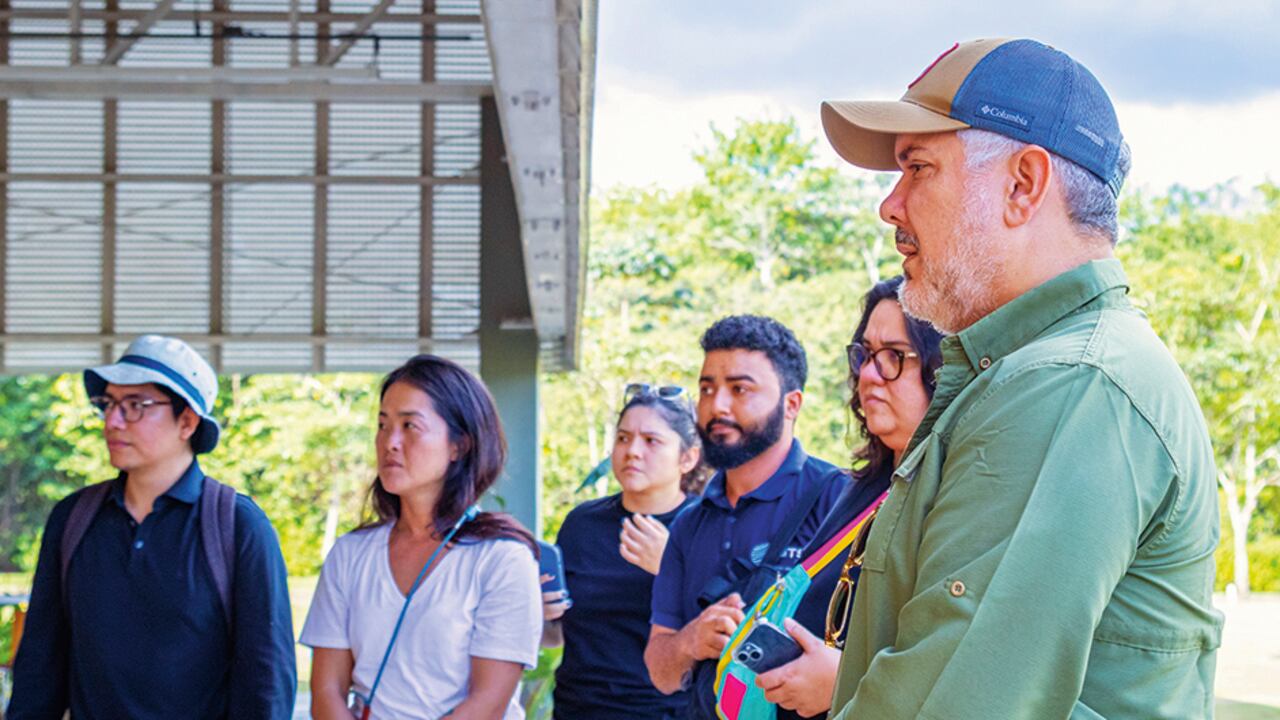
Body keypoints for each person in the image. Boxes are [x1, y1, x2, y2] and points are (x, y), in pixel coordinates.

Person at [819, 38, 1223, 718]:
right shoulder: (1039, 371)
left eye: (917, 167)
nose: (891, 205)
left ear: (1022, 185)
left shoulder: (1068, 384)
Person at [7, 335, 297, 720]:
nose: (113, 421)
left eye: (136, 405)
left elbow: (266, 681)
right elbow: (39, 666)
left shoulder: (237, 526)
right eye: (109, 404)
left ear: (187, 421)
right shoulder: (73, 518)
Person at [302, 354, 541, 720]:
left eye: (410, 426)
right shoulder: (350, 554)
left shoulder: (502, 559)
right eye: (383, 425)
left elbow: (488, 705)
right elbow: (326, 692)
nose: (390, 442)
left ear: (459, 445)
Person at [752, 276, 942, 718]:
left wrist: (846, 684)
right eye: (866, 355)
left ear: (941, 369)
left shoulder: (956, 493)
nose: (869, 375)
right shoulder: (860, 487)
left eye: (894, 356)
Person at [644, 315, 849, 720]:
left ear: (792, 404)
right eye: (707, 389)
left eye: (739, 389)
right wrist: (691, 641)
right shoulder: (689, 523)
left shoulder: (839, 501)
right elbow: (660, 672)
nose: (716, 406)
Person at [544, 384, 707, 719]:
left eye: (651, 441)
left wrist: (669, 568)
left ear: (688, 458)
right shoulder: (581, 524)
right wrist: (539, 612)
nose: (632, 451)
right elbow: (555, 636)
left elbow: (731, 629)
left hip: (670, 712)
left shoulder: (708, 525)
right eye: (623, 438)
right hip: (577, 710)